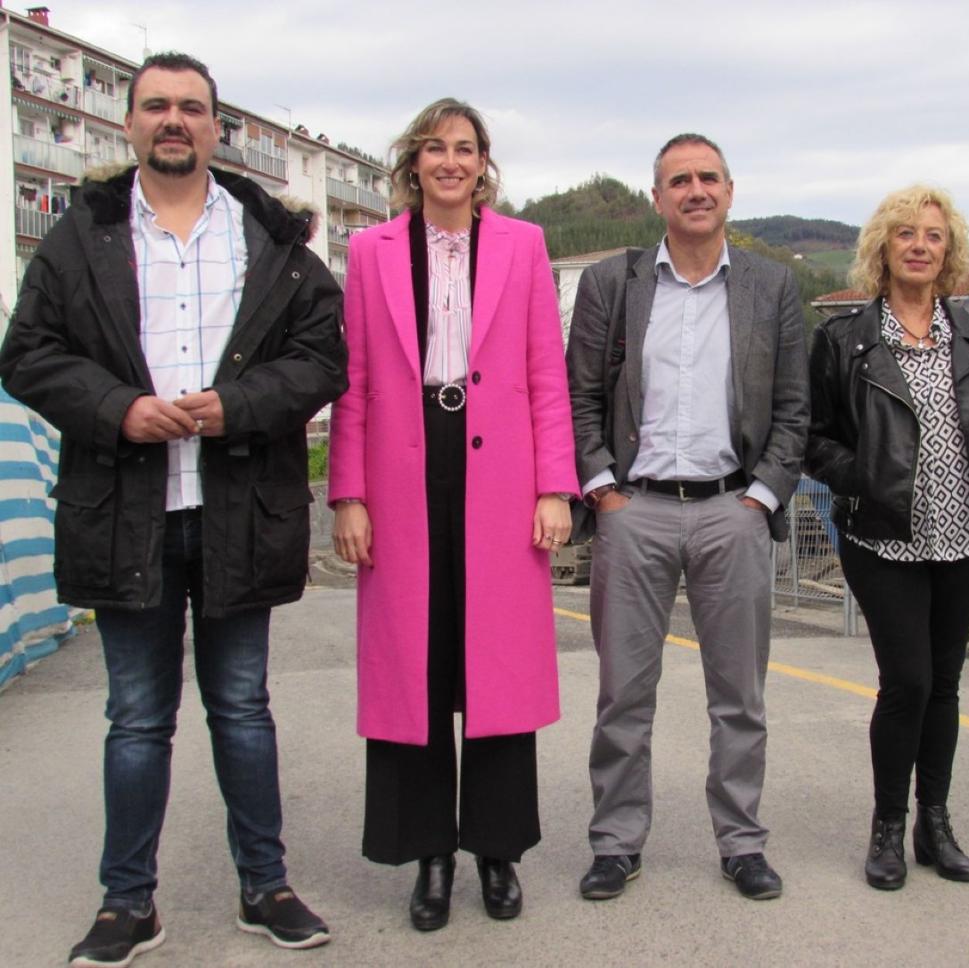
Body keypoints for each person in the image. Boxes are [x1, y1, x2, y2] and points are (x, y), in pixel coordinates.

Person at [0, 52, 345, 964]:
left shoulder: (271, 237)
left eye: (191, 107)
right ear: (130, 123)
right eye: (156, 106)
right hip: (125, 510)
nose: (173, 121)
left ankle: (265, 886)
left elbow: (322, 358)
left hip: (238, 508)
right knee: (137, 717)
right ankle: (128, 903)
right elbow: (27, 353)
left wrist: (239, 405)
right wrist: (120, 409)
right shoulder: (83, 235)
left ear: (216, 126)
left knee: (243, 707)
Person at [328, 98, 577, 931]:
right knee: (419, 669)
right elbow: (354, 381)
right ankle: (429, 854)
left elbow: (547, 372)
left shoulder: (524, 244)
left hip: (502, 474)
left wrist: (554, 486)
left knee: (496, 669)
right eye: (434, 148)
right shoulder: (369, 250)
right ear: (412, 163)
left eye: (464, 149)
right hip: (404, 474)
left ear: (483, 164)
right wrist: (349, 495)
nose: (450, 161)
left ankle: (498, 851)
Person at [566, 133, 808, 902]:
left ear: (730, 192)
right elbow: (579, 395)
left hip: (731, 511)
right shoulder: (614, 282)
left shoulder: (772, 287)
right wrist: (603, 489)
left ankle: (741, 841)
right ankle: (615, 842)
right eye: (679, 180)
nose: (695, 190)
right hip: (633, 511)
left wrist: (761, 497)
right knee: (624, 694)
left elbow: (796, 410)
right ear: (657, 198)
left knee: (739, 696)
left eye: (708, 178)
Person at [805, 185, 969, 891]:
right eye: (906, 233)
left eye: (933, 234)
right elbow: (815, 438)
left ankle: (937, 822)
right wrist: (862, 477)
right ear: (883, 247)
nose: (920, 245)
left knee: (946, 684)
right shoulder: (845, 339)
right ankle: (888, 828)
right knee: (907, 682)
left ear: (949, 247)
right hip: (884, 539)